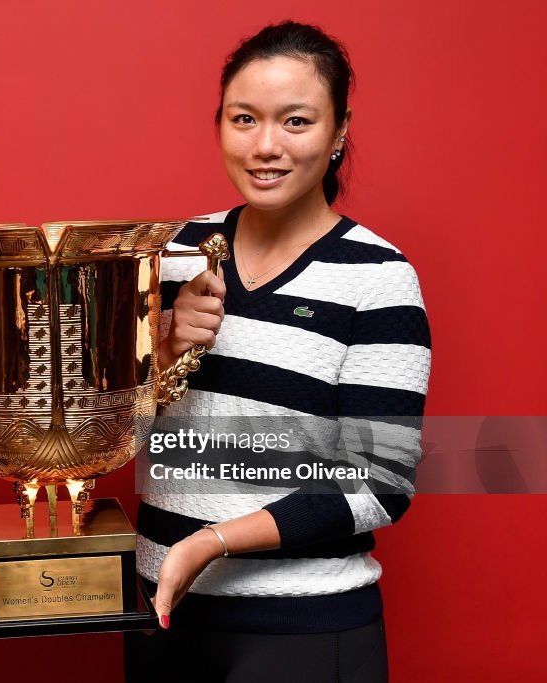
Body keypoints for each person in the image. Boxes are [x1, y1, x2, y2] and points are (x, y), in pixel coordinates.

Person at [127, 21, 431, 682]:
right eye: (245, 119)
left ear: (339, 131)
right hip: (160, 616)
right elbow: (121, 430)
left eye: (296, 121)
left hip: (302, 631)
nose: (266, 146)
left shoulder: (378, 276)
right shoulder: (174, 251)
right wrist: (167, 351)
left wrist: (212, 542)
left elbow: (380, 482)